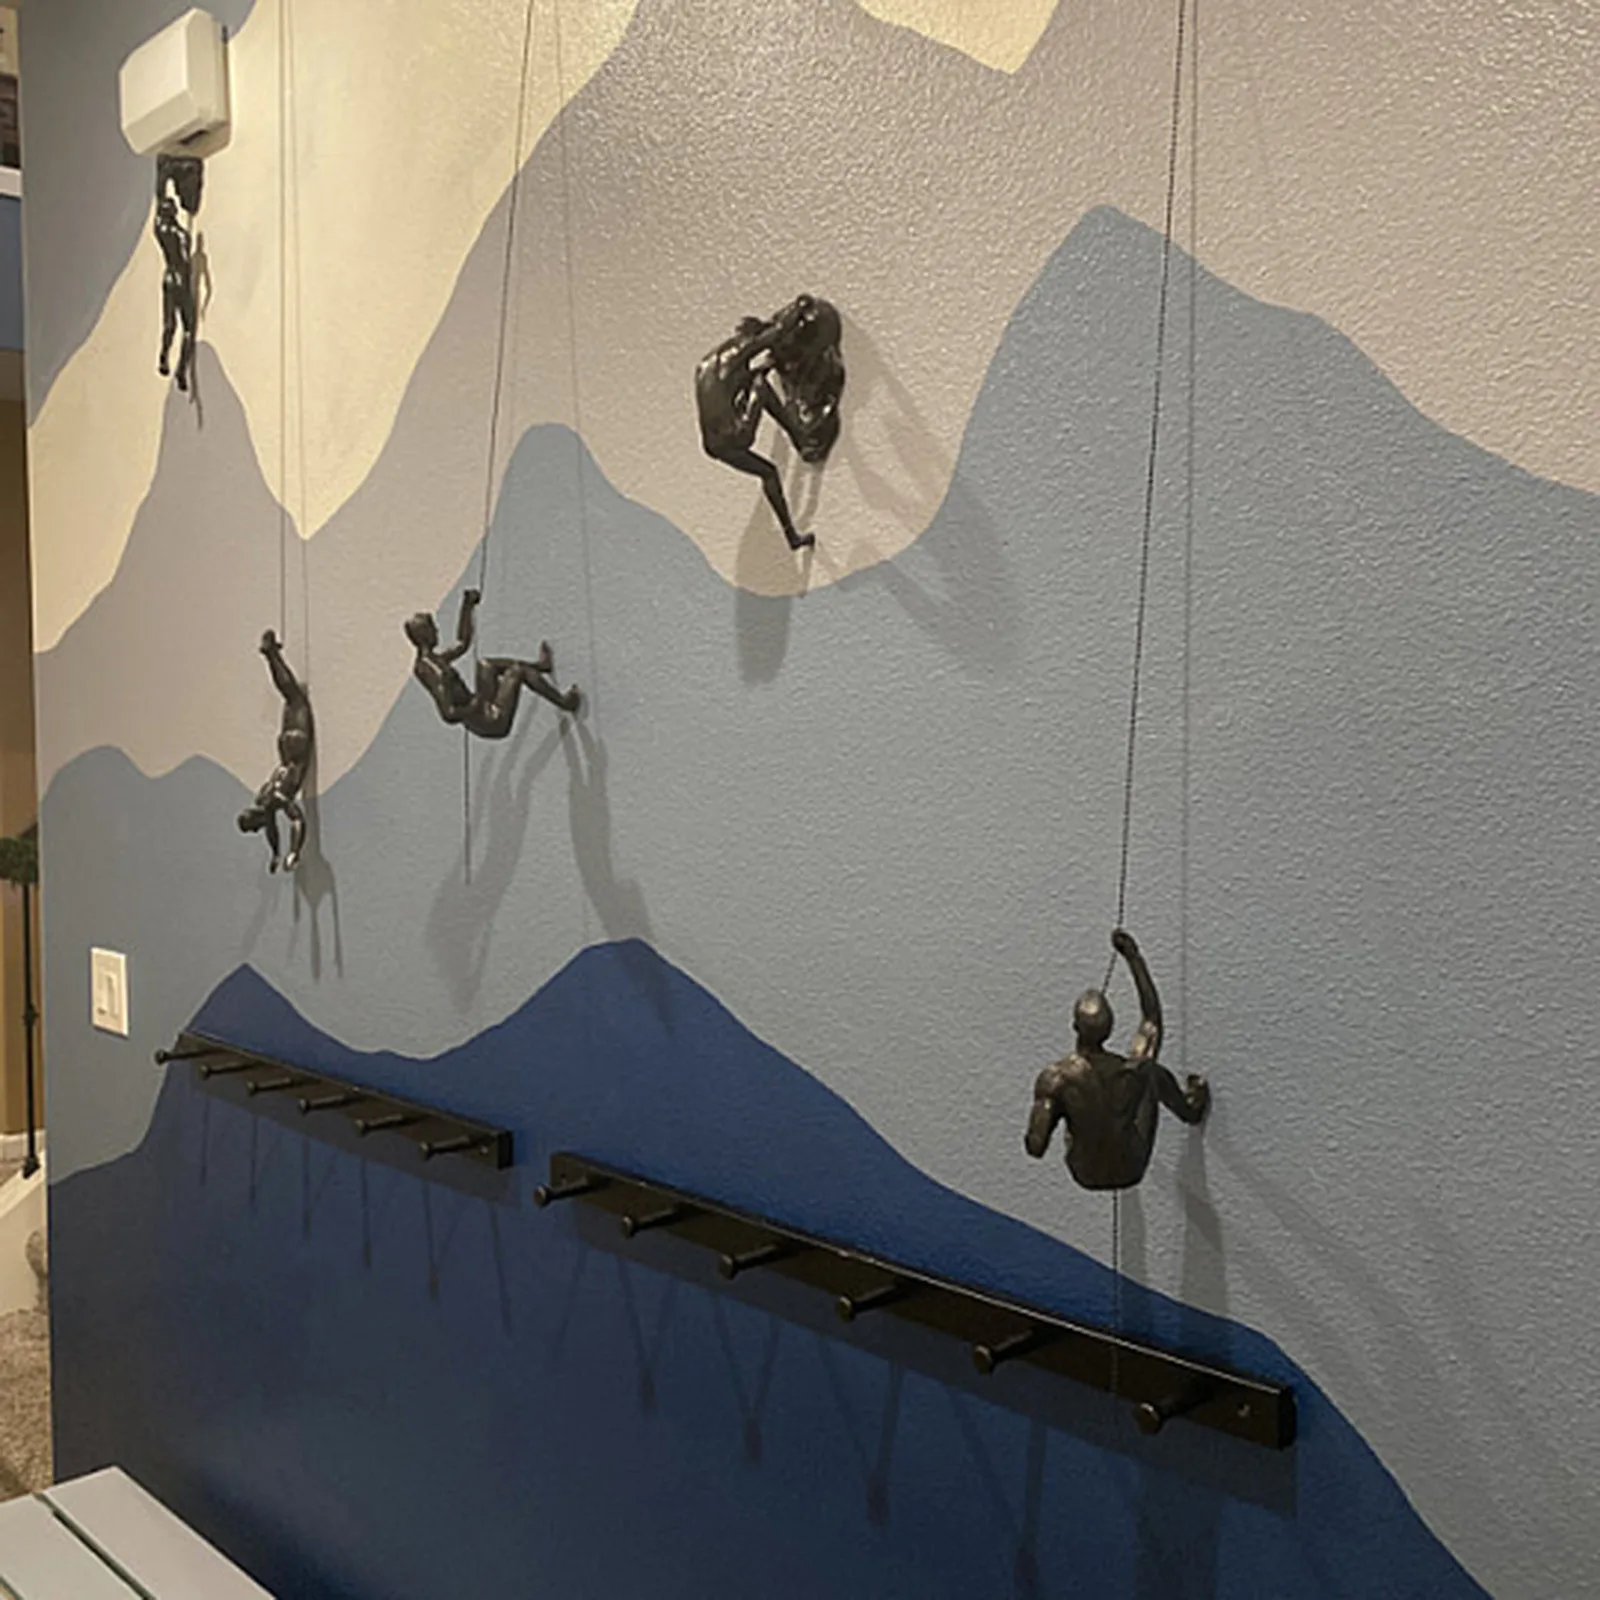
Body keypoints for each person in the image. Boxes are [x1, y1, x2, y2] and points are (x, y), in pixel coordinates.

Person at [1024, 929, 1209, 1191]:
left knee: (1084, 1103)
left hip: (1085, 1173)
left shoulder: (1056, 1077)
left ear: (1075, 1027)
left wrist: (1057, 1115)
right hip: (1131, 1168)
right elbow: (1151, 1022)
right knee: (1148, 1072)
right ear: (1109, 1029)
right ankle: (1190, 1109)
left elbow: (1036, 1146)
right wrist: (1134, 958)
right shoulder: (1132, 1072)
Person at [695, 294, 845, 551]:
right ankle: (800, 438)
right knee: (760, 386)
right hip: (737, 435)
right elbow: (778, 331)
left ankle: (793, 538)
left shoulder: (707, 365)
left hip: (714, 445)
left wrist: (764, 367)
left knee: (769, 473)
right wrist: (799, 307)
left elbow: (727, 388)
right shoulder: (737, 352)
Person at [404, 588, 580, 739]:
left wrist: (467, 606)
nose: (437, 631)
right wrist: (476, 704)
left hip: (481, 709)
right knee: (518, 671)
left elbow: (462, 643)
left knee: (485, 665)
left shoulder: (433, 660)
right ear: (424, 634)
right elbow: (448, 713)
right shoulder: (433, 671)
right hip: (490, 721)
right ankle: (564, 702)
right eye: (433, 629)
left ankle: (540, 667)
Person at [238, 631, 313, 873]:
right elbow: (290, 822)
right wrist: (286, 853)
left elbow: (281, 825)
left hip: (292, 750)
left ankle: (271, 655)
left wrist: (285, 853)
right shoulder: (269, 799)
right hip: (292, 751)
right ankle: (271, 655)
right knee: (293, 698)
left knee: (293, 698)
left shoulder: (269, 800)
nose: (259, 827)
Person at [154, 188, 197, 392]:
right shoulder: (182, 235)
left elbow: (157, 214)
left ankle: (163, 356)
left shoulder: (161, 231)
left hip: (168, 277)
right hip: (181, 280)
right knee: (188, 329)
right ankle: (181, 370)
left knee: (169, 324)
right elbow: (186, 261)